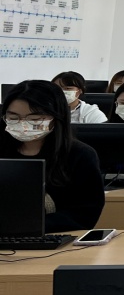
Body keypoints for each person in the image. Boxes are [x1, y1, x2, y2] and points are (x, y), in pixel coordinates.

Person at [0, 80, 105, 232]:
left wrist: (28, 225)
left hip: (55, 237)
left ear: (57, 117)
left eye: (35, 119)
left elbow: (85, 214)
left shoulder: (80, 155)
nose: (23, 125)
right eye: (14, 118)